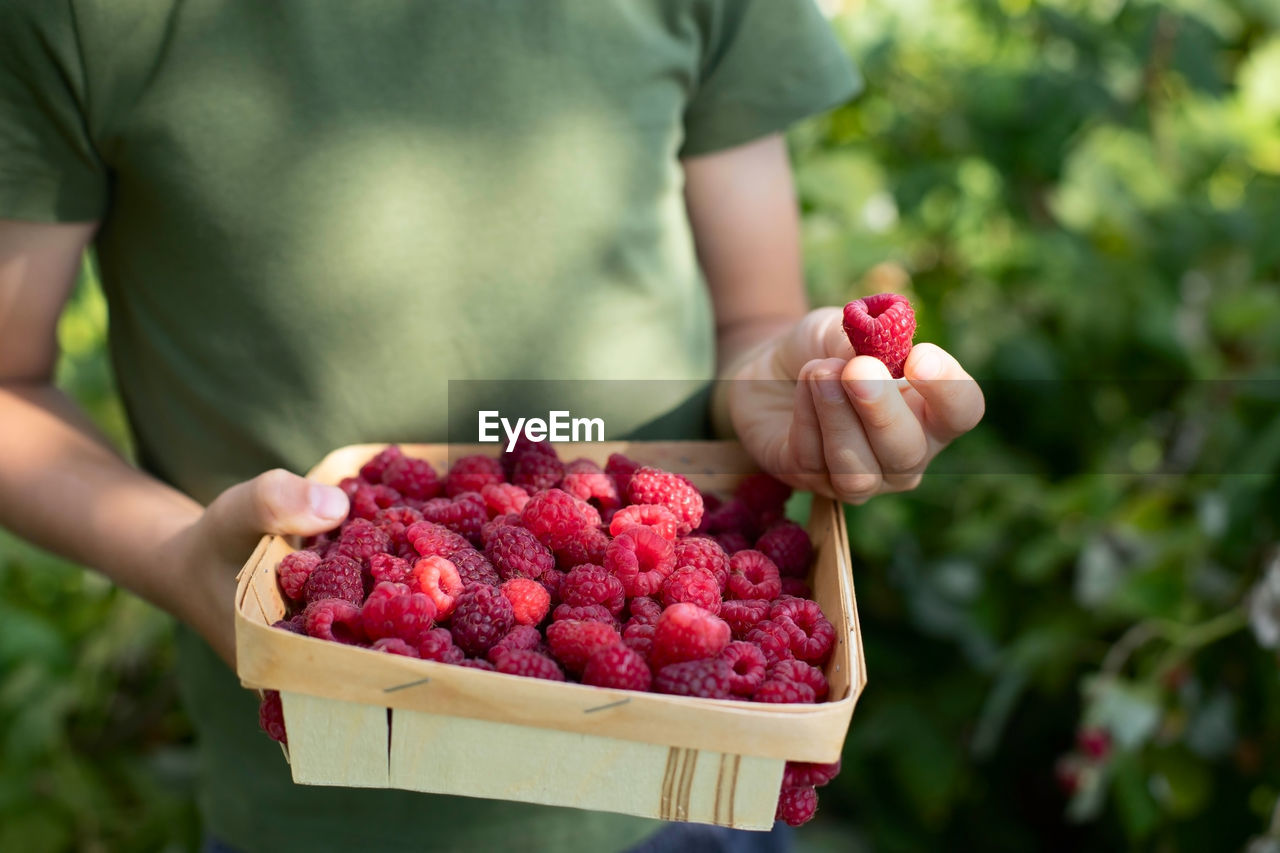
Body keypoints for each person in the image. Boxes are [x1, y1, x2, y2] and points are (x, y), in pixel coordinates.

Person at [0, 1, 984, 851]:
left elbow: (753, 315)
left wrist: (783, 382)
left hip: (685, 767)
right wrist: (176, 555)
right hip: (325, 802)